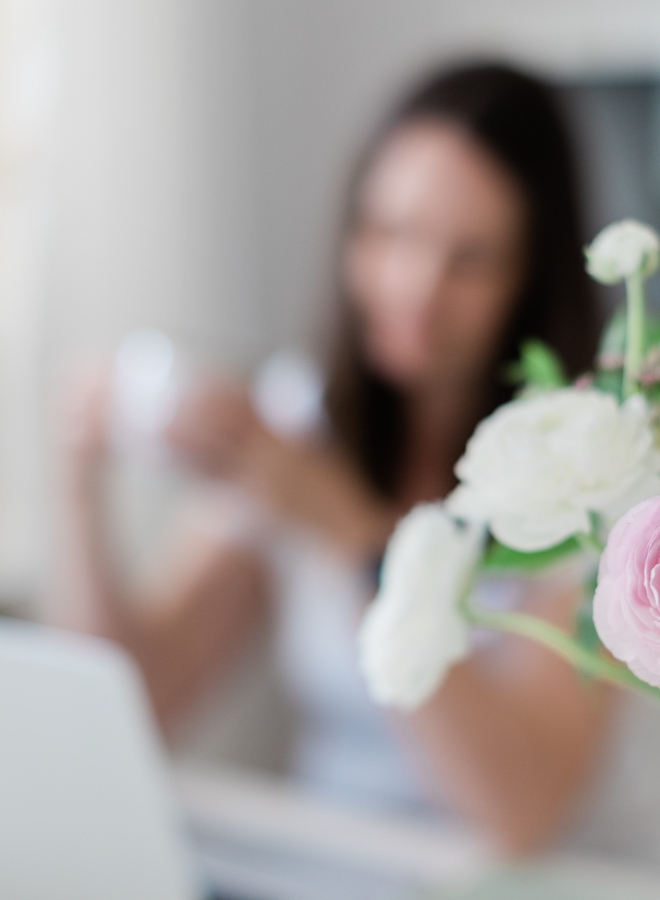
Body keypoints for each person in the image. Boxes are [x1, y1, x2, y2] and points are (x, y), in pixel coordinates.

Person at [56, 62, 614, 855]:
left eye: (470, 259)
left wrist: (352, 534)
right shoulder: (302, 414)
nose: (416, 287)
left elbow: (517, 811)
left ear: (531, 277)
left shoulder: (588, 478)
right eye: (390, 234)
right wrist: (78, 486)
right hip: (320, 866)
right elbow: (136, 703)